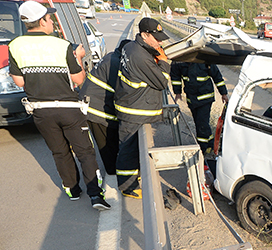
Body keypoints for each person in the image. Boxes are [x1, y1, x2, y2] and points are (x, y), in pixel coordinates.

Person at [8, 1, 110, 210]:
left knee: (59, 152)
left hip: (40, 111)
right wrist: (79, 58)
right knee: (84, 151)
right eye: (50, 18)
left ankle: (72, 190)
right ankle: (95, 195)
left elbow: (19, 82)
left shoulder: (15, 45)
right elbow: (79, 79)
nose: (53, 21)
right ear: (42, 21)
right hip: (69, 109)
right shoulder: (62, 45)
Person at [114, 17, 170, 199]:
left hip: (129, 106)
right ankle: (127, 187)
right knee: (128, 150)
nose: (160, 42)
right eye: (157, 38)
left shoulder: (131, 47)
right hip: (135, 111)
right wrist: (163, 61)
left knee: (129, 148)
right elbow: (162, 81)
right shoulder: (140, 57)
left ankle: (130, 179)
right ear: (145, 35)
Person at [79, 39, 131, 176]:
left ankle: (114, 169)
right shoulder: (115, 63)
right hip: (96, 110)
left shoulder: (112, 57)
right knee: (107, 145)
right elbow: (121, 92)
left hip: (95, 104)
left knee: (111, 141)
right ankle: (113, 173)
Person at [170, 62, 229, 154]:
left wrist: (223, 93)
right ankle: (211, 144)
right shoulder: (179, 61)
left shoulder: (204, 59)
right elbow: (175, 76)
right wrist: (177, 93)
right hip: (192, 100)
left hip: (205, 98)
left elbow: (217, 76)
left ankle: (202, 150)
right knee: (200, 123)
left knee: (201, 124)